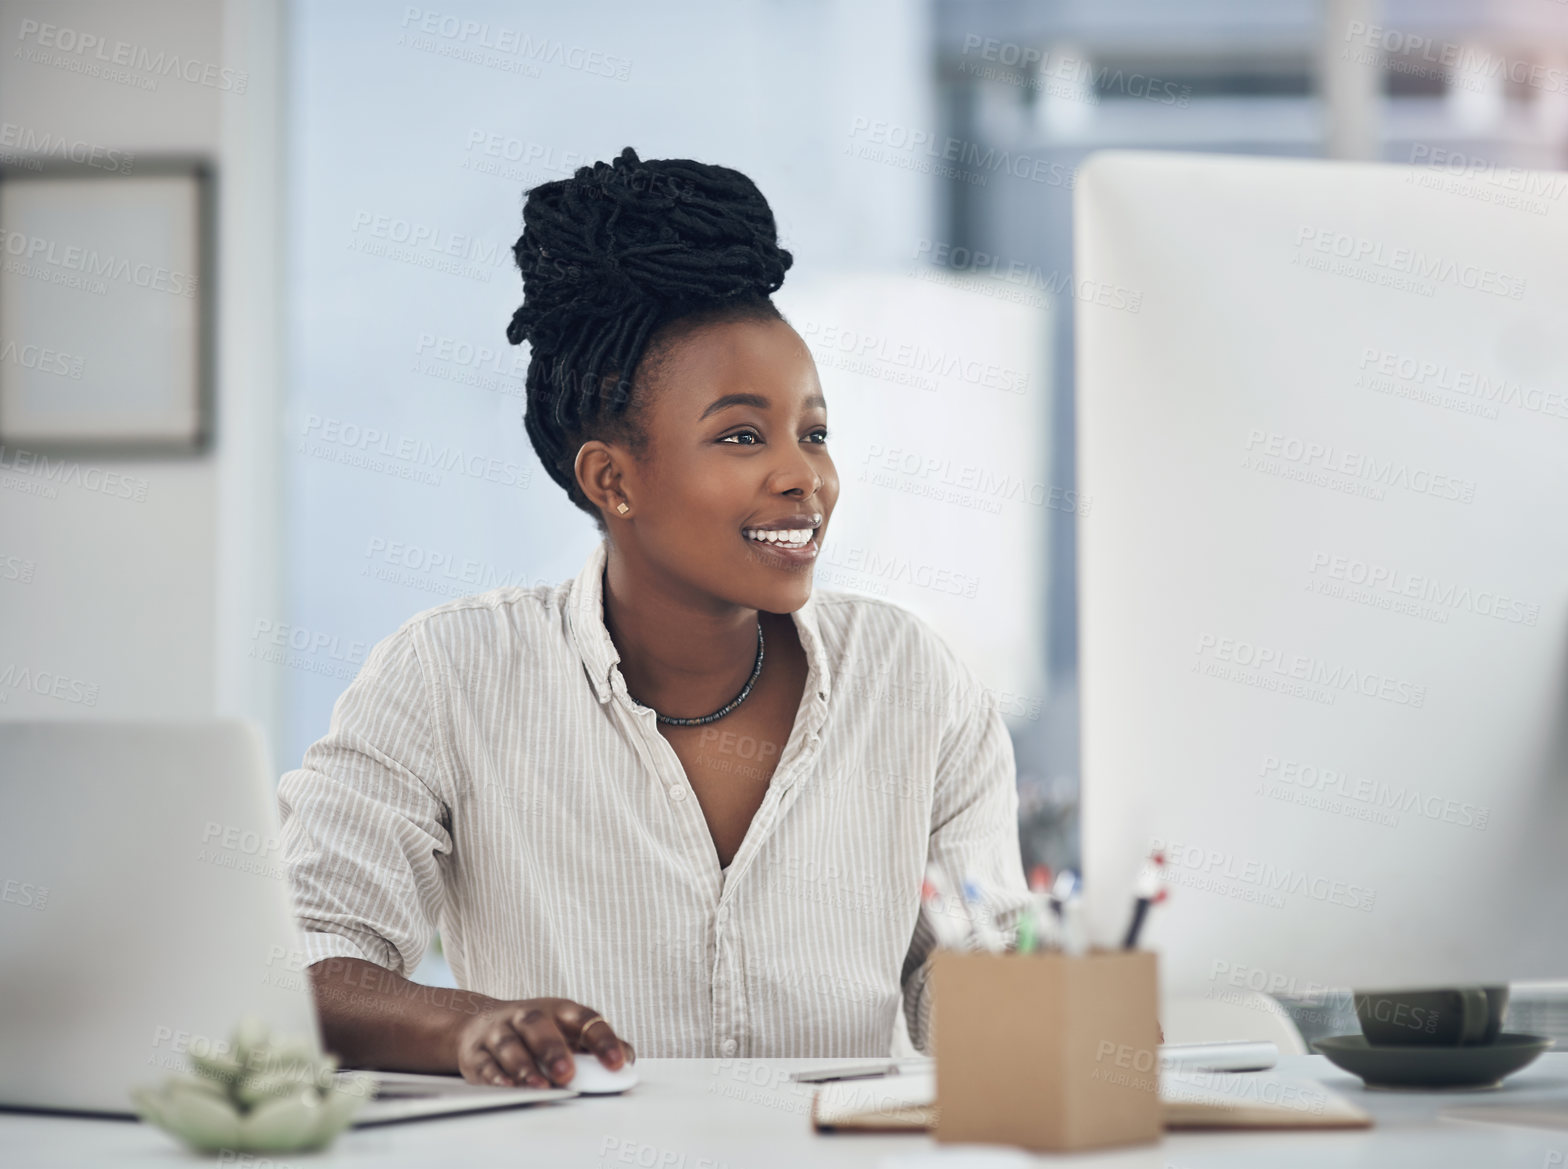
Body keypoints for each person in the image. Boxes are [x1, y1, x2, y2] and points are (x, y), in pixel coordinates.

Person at [278, 147, 1028, 1090]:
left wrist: (1054, 1016)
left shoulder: (911, 677)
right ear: (612, 478)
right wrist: (469, 1026)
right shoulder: (447, 674)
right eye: (742, 435)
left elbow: (970, 968)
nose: (807, 476)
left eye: (816, 432)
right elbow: (301, 959)